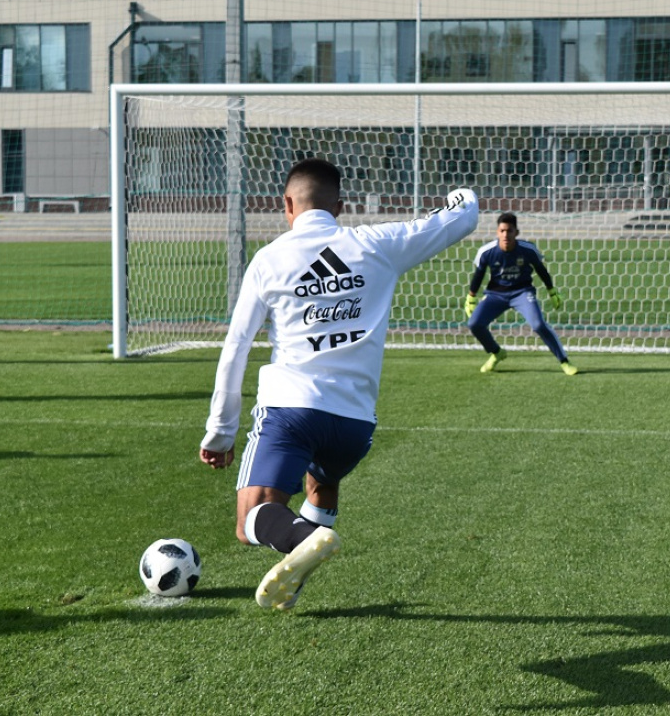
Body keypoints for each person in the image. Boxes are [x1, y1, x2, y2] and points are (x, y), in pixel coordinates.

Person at [199, 158, 479, 610]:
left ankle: (303, 539)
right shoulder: (377, 244)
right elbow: (463, 215)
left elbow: (236, 348)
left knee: (251, 517)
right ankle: (297, 571)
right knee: (322, 483)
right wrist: (459, 196)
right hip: (355, 425)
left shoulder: (269, 260)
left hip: (291, 411)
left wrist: (220, 432)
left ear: (287, 204)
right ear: (339, 207)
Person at [464, 212, 577, 375]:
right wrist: (471, 297)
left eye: (509, 231)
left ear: (516, 232)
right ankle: (496, 352)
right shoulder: (487, 251)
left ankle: (564, 361)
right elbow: (479, 274)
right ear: (497, 232)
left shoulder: (527, 249)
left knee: (538, 325)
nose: (505, 235)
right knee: (474, 324)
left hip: (522, 293)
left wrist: (552, 291)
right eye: (502, 231)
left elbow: (541, 270)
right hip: (496, 294)